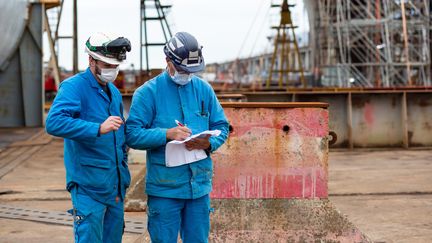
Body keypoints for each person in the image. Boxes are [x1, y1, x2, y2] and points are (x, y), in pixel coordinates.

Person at [126, 32, 229, 242]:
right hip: (165, 190)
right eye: (182, 69)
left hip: (198, 187)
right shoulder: (147, 93)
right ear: (168, 61)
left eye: (191, 70)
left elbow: (222, 126)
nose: (186, 74)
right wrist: (166, 134)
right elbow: (132, 135)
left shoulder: (203, 89)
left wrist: (209, 143)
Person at [45, 32, 132, 243]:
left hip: (115, 185)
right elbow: (54, 122)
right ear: (91, 60)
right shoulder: (74, 87)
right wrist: (97, 128)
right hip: (88, 186)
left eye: (114, 66)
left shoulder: (114, 92)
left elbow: (119, 133)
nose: (111, 70)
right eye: (106, 65)